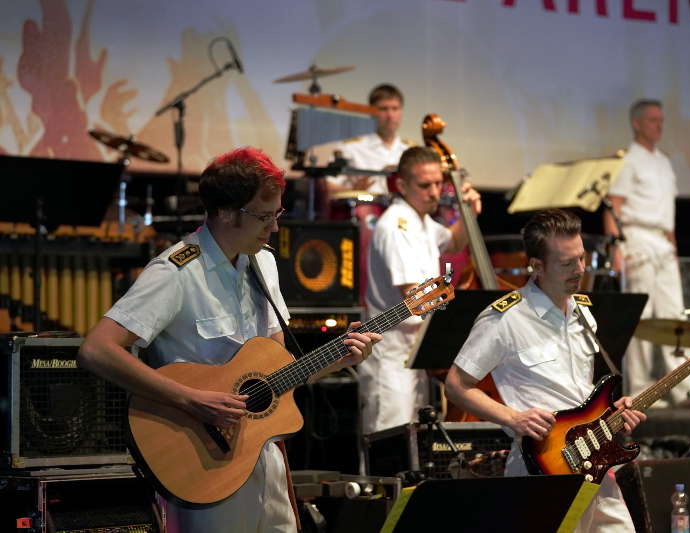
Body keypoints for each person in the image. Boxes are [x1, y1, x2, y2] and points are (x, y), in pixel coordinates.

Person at [77, 147, 381, 533]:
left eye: (277, 214)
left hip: (264, 455)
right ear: (225, 212)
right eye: (264, 216)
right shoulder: (176, 270)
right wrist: (192, 399)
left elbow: (280, 373)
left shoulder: (263, 263)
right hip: (202, 464)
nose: (274, 228)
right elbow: (97, 349)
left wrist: (338, 359)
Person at [445, 208, 646, 532]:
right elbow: (456, 385)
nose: (579, 269)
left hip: (594, 460)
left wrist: (615, 413)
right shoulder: (505, 317)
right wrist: (513, 418)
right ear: (536, 265)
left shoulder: (583, 313)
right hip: (542, 466)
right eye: (567, 263)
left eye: (581, 258)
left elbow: (579, 393)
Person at [360, 146, 481, 434]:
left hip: (415, 355)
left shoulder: (421, 220)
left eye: (439, 183)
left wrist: (469, 213)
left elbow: (452, 242)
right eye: (425, 185)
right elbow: (414, 297)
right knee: (391, 445)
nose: (435, 192)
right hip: (391, 358)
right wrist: (462, 320)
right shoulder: (395, 225)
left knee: (415, 448)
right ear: (402, 185)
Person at [603, 99, 690, 405]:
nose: (659, 125)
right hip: (637, 237)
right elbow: (614, 204)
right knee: (642, 315)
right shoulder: (628, 159)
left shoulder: (665, 162)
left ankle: (683, 388)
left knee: (673, 314)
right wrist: (616, 246)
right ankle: (640, 386)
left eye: (661, 120)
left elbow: (668, 211)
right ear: (637, 123)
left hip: (663, 242)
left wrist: (674, 246)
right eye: (653, 120)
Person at [327, 83, 413, 194]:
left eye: (395, 109)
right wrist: (353, 192)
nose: (390, 115)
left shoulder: (410, 150)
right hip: (366, 208)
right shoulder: (350, 147)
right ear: (371, 112)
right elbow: (325, 184)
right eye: (383, 109)